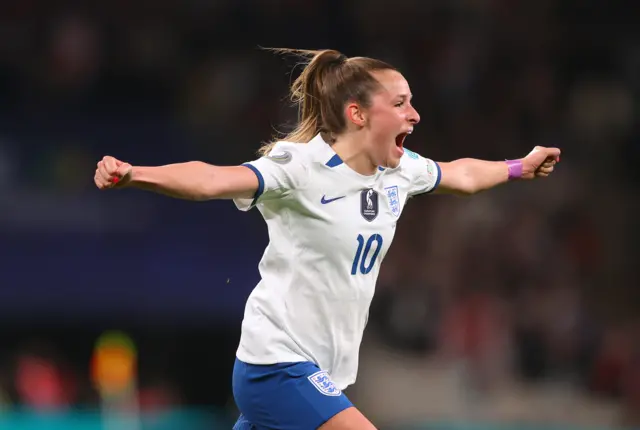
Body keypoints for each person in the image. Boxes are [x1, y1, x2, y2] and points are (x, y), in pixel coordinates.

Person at [94, 48, 560, 430]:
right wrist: (135, 174)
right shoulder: (300, 168)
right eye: (399, 104)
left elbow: (460, 175)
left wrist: (519, 167)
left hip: (325, 374)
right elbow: (211, 179)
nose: (414, 115)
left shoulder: (399, 171)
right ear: (356, 114)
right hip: (276, 366)